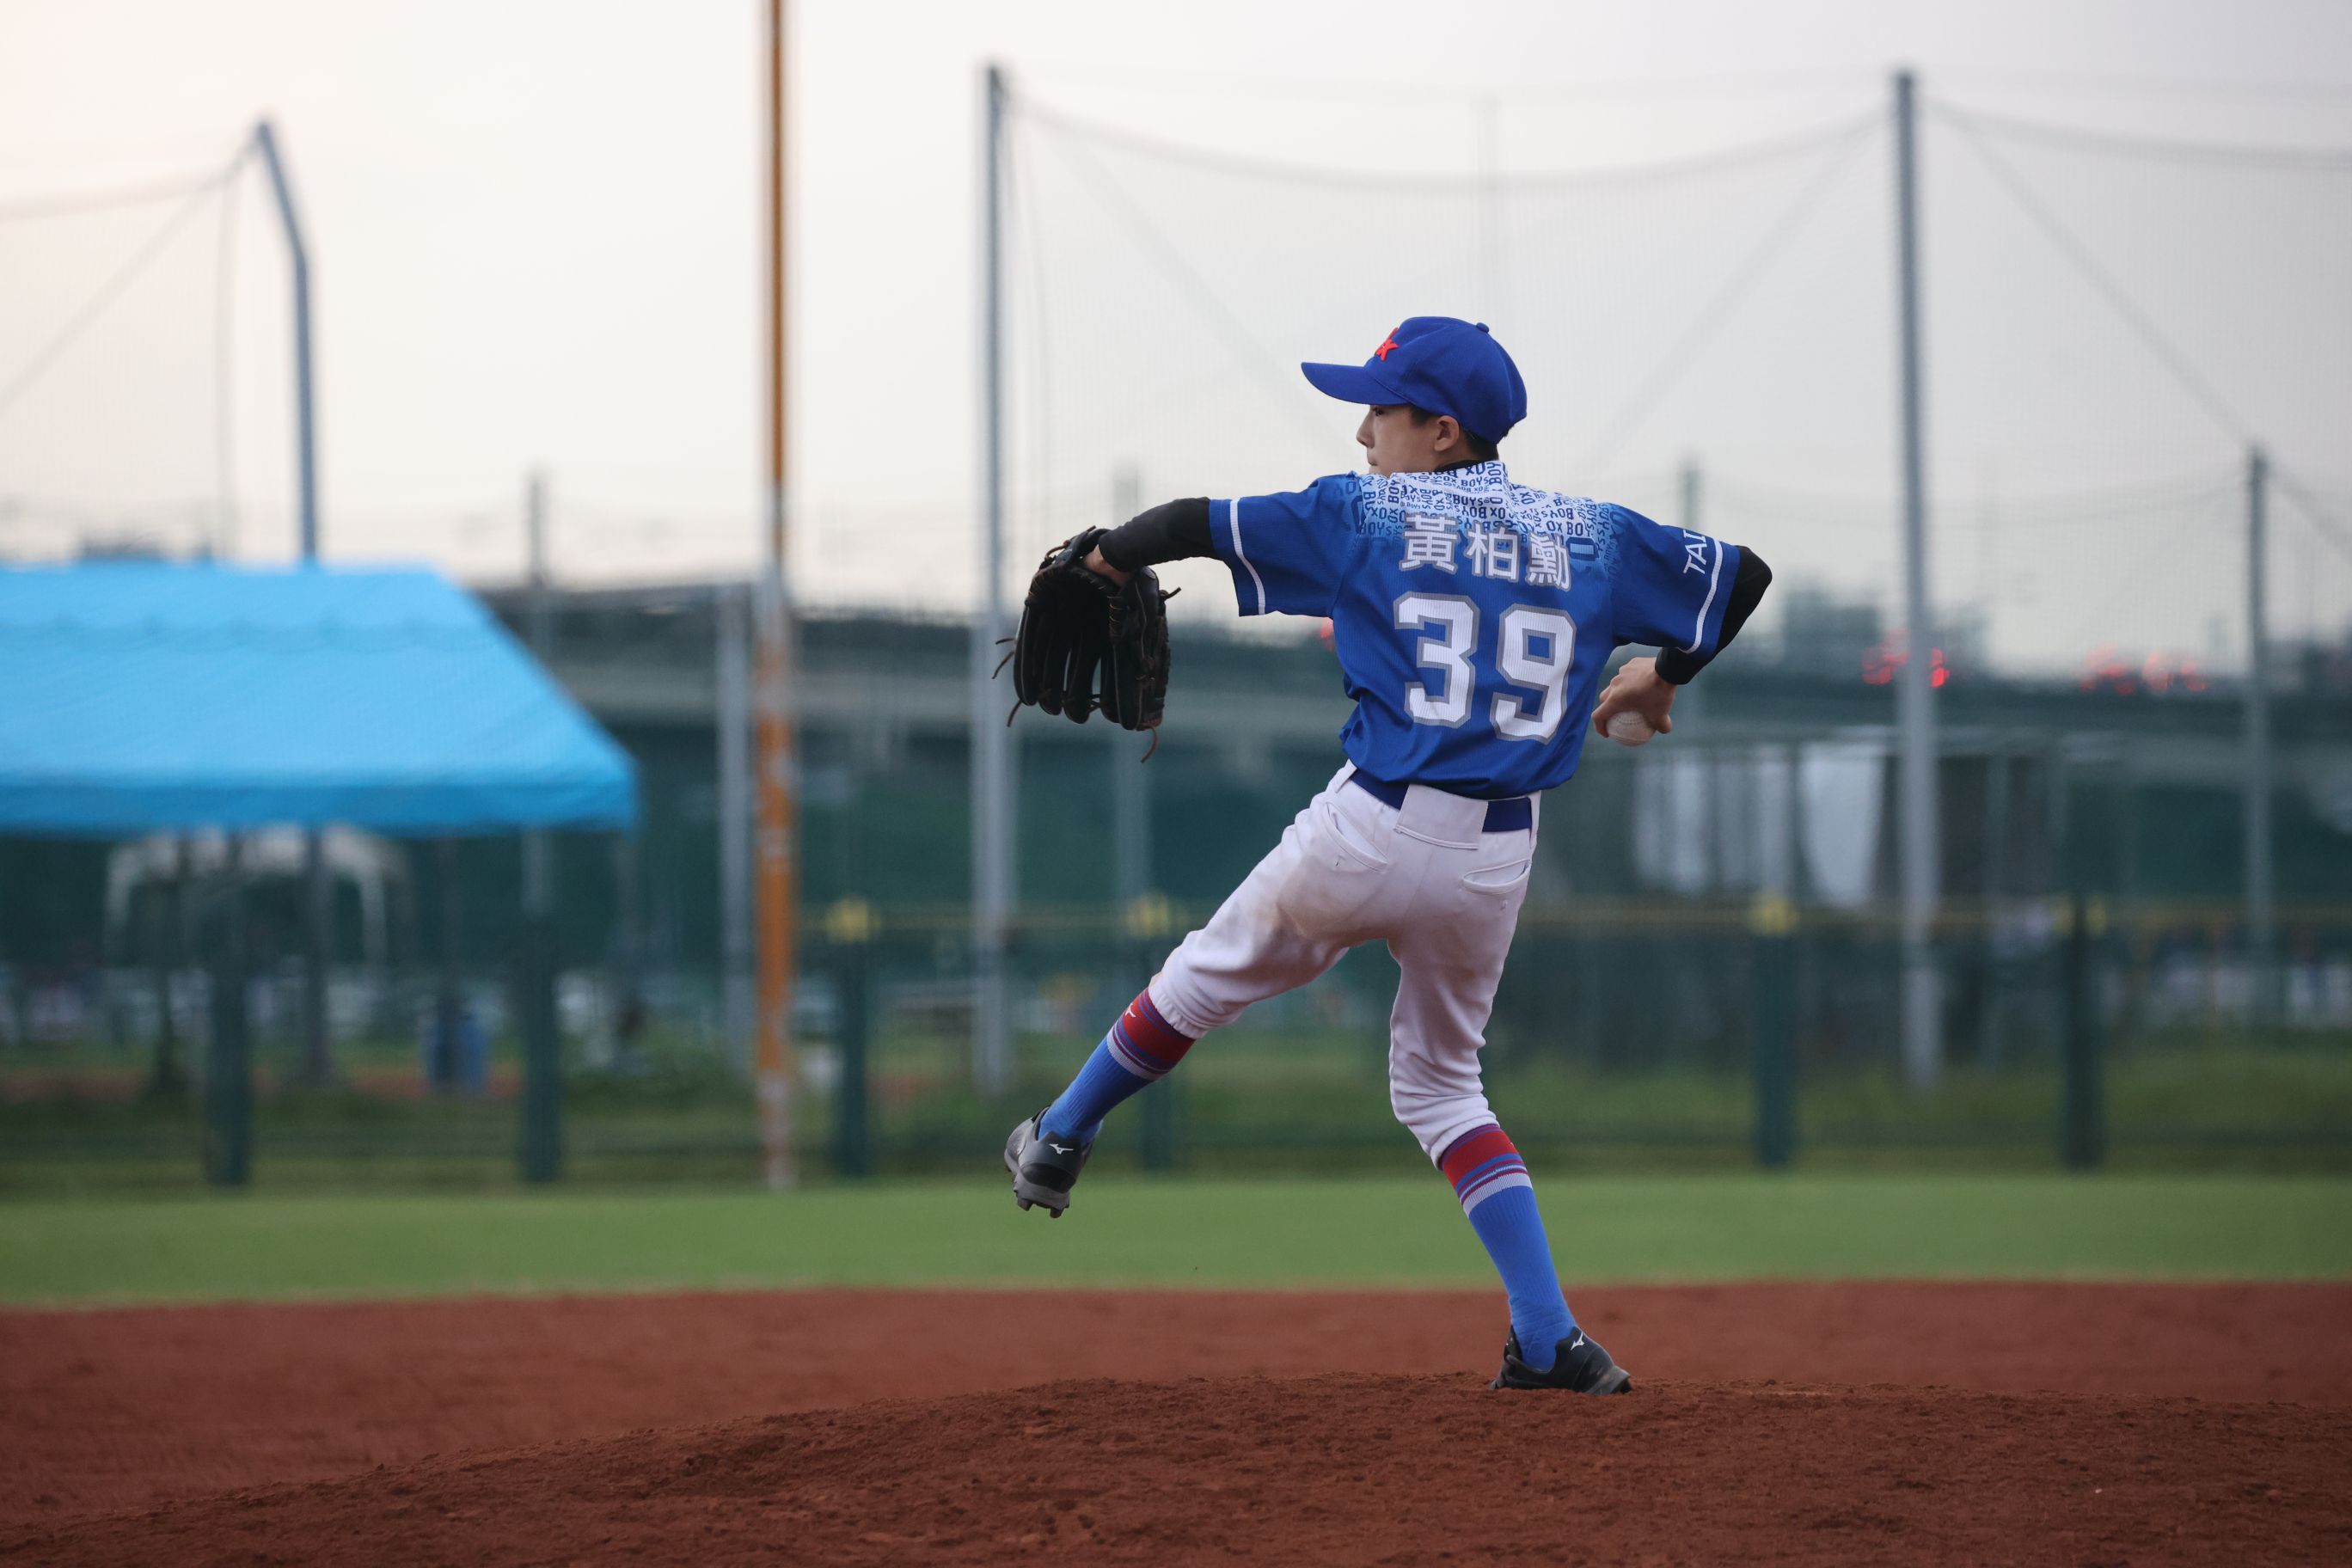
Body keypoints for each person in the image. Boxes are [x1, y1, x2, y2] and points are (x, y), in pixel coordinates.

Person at [1004, 315, 1773, 1394]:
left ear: (1442, 430)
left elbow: (1190, 524)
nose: (1364, 432)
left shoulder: (1363, 511)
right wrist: (1664, 673)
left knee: (1200, 979)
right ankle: (1548, 1337)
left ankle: (1060, 1135)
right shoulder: (1593, 534)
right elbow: (1742, 578)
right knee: (1447, 1089)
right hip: (1494, 858)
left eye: (1381, 411)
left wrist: (1105, 556)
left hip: (1368, 828)